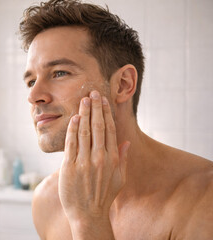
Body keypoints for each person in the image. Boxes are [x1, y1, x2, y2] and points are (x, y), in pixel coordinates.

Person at [19, 0, 213, 239]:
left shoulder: (204, 196)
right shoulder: (46, 200)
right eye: (30, 81)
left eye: (59, 73)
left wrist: (88, 219)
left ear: (123, 84)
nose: (34, 96)